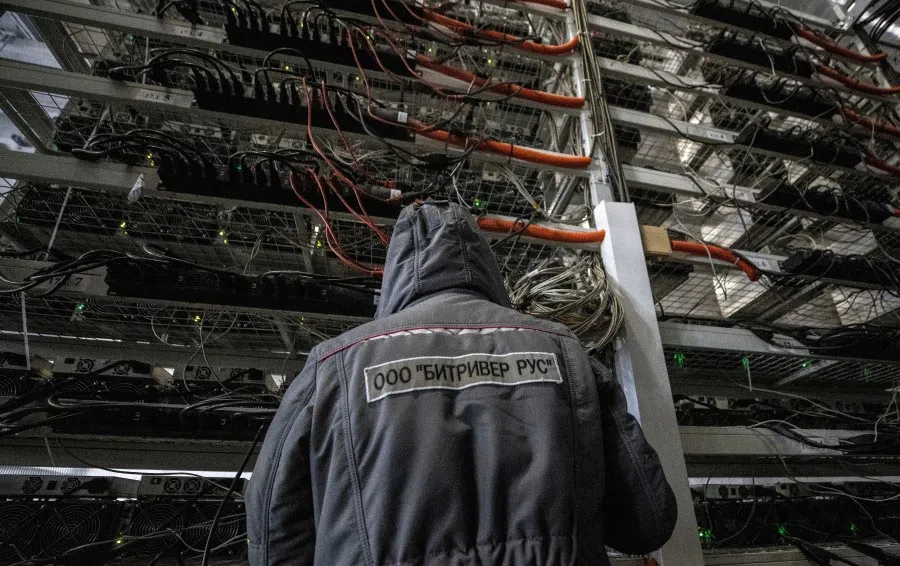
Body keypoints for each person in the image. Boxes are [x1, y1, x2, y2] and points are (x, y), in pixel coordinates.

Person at [247, 202, 678, 565]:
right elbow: (649, 521)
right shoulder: (566, 354)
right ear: (485, 266)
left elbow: (273, 535)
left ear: (395, 276)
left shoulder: (333, 367)